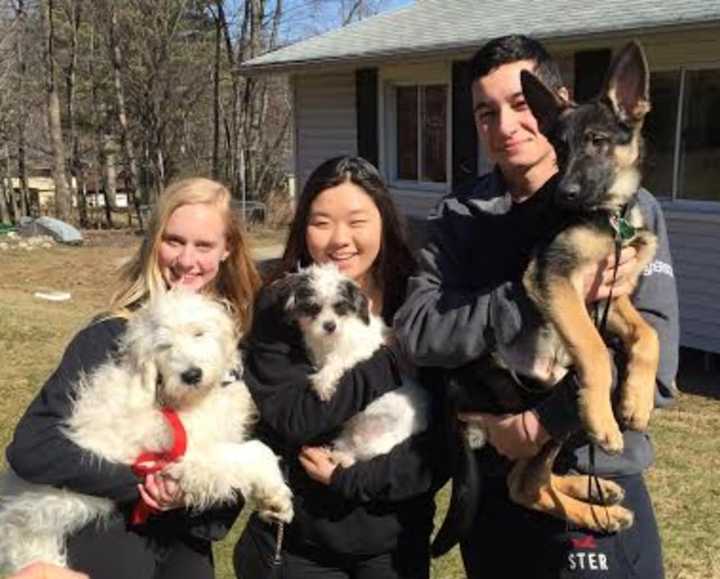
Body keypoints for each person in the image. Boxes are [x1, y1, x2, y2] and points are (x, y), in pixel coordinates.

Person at [394, 35, 679, 579]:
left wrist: (541, 423)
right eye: (486, 111)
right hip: (494, 480)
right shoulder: (459, 215)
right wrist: (523, 301)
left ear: (557, 104)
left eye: (520, 104)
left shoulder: (631, 208)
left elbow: (659, 377)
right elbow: (418, 333)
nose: (504, 126)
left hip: (595, 460)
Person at [6, 177, 262, 579]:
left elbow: (222, 510)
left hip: (185, 544)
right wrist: (140, 480)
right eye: (174, 240)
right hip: (108, 536)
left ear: (227, 250)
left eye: (204, 245)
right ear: (153, 242)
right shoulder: (109, 336)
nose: (186, 260)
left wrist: (186, 492)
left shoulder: (235, 350)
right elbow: (32, 448)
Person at [234, 155, 445, 579]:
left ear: (385, 221)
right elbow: (296, 418)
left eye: (357, 221)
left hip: (395, 547)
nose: (339, 239)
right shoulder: (285, 305)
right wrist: (391, 360)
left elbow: (441, 445)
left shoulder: (419, 301)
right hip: (297, 546)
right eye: (321, 221)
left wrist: (357, 480)